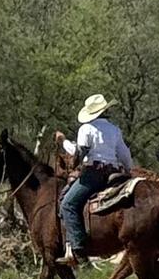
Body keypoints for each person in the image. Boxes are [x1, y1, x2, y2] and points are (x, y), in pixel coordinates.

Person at [57, 94, 133, 266]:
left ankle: (77, 249)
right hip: (114, 173)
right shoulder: (114, 129)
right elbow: (124, 155)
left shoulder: (86, 128)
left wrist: (63, 142)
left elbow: (79, 153)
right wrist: (129, 171)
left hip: (94, 174)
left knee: (67, 203)